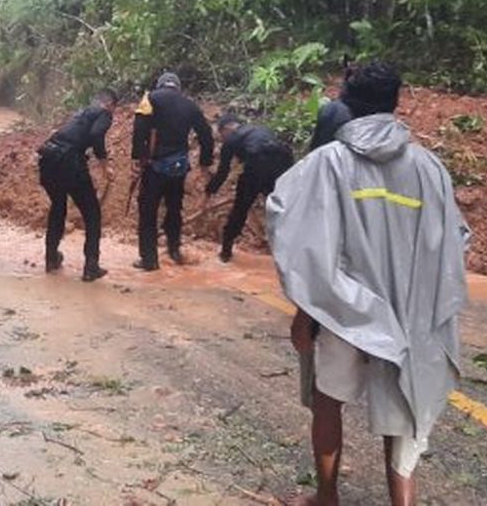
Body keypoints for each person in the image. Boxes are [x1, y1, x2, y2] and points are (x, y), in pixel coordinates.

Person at [267, 62, 469, 506]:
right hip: (409, 313)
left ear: (346, 104)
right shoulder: (428, 169)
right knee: (404, 405)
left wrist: (306, 313)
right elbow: (451, 246)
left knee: (327, 401)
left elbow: (306, 247)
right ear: (396, 104)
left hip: (344, 312)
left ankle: (327, 496)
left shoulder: (325, 165)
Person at [130, 72, 214, 270]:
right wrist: (205, 161)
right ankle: (174, 250)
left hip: (154, 166)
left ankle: (149, 260)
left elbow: (139, 128)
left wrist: (138, 156)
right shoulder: (190, 105)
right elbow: (206, 135)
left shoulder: (150, 98)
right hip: (178, 167)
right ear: (178, 87)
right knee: (174, 208)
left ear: (160, 85)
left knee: (148, 212)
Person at [37, 89, 117, 281]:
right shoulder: (104, 113)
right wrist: (105, 166)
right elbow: (97, 135)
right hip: (69, 163)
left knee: (58, 207)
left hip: (48, 158)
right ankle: (91, 266)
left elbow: (69, 136)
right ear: (109, 104)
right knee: (92, 213)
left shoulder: (81, 114)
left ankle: (51, 259)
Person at [204, 114, 294, 262]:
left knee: (240, 209)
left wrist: (210, 190)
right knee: (282, 210)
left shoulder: (232, 140)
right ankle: (289, 252)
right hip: (281, 167)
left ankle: (226, 252)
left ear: (227, 128)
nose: (222, 138)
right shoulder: (261, 130)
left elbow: (223, 172)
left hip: (256, 167)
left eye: (221, 134)